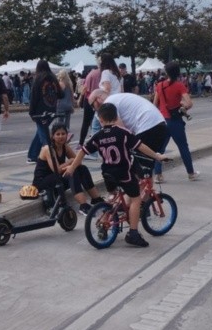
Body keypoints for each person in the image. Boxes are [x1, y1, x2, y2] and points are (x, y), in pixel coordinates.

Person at [65, 103, 170, 247]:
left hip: (108, 174)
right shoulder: (123, 133)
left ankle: (105, 221)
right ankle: (133, 233)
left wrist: (71, 168)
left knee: (114, 198)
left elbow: (82, 152)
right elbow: (141, 146)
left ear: (100, 119)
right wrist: (157, 156)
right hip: (123, 173)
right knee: (135, 199)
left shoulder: (97, 136)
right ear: (116, 117)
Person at [35, 123, 103, 217]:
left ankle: (96, 199)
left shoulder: (65, 146)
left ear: (67, 135)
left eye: (63, 134)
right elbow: (57, 170)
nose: (61, 136)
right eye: (58, 134)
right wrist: (70, 163)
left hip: (57, 179)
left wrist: (72, 164)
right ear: (52, 136)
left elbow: (78, 162)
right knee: (72, 171)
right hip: (43, 181)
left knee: (82, 169)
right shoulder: (48, 149)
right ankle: (83, 205)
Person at [152, 62, 199, 183]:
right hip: (175, 121)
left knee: (160, 149)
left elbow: (155, 104)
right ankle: (191, 174)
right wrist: (183, 106)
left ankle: (158, 175)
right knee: (183, 147)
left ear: (166, 72)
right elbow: (189, 103)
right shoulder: (179, 85)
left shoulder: (160, 85)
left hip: (162, 121)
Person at [27, 60, 63, 163]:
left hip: (40, 111)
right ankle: (32, 155)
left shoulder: (38, 79)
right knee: (41, 131)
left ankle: (50, 155)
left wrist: (31, 111)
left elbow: (34, 97)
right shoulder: (53, 78)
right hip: (52, 108)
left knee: (43, 134)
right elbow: (61, 94)